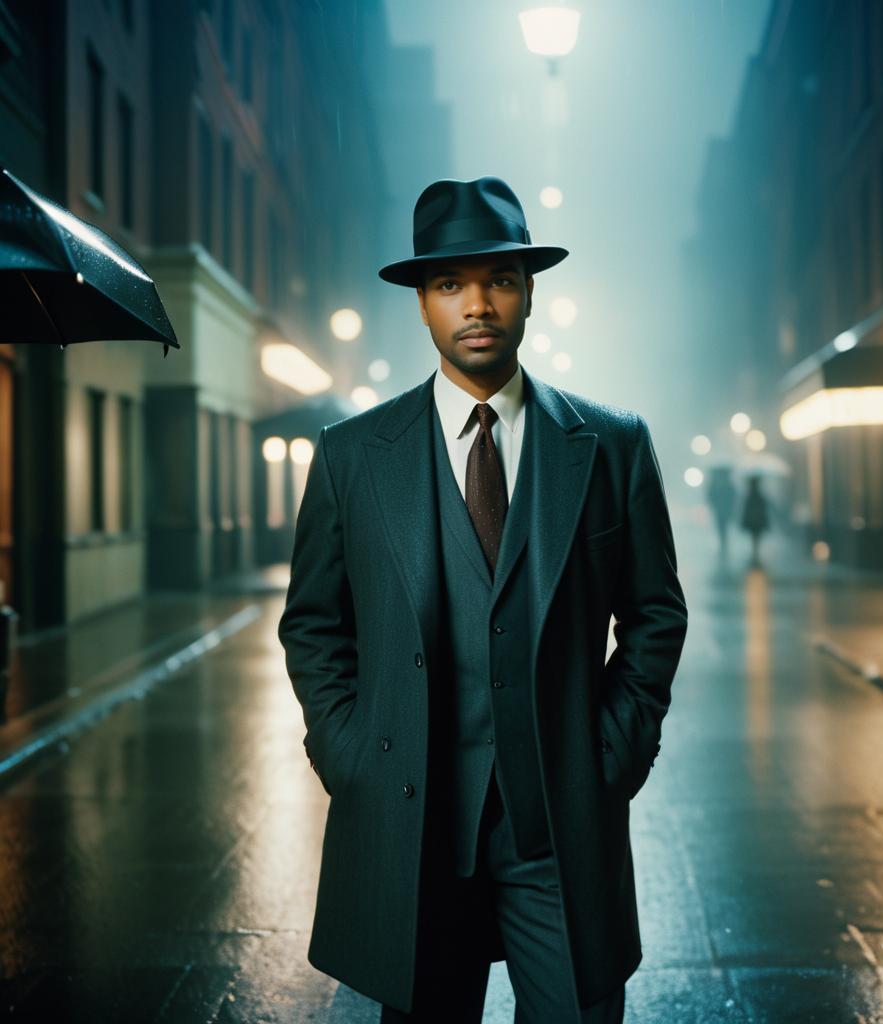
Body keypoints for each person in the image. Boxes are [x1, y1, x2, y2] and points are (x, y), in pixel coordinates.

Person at [277, 176, 688, 1023]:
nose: (477, 305)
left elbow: (655, 613)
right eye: (450, 284)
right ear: (422, 304)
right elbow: (314, 625)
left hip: (561, 824)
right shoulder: (353, 457)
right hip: (413, 822)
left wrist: (612, 753)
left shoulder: (611, 445)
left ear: (529, 293)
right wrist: (349, 755)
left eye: (499, 280)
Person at [739, 473, 770, 566]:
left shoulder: (749, 496)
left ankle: (755, 554)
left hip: (753, 521)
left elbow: (746, 510)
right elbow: (763, 509)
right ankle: (756, 554)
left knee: (754, 537)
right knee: (757, 537)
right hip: (758, 521)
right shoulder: (759, 495)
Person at [706, 465, 737, 557]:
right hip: (720, 511)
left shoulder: (727, 486)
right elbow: (710, 496)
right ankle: (723, 543)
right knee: (721, 528)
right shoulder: (716, 485)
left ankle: (724, 544)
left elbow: (733, 497)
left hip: (725, 511)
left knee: (723, 527)